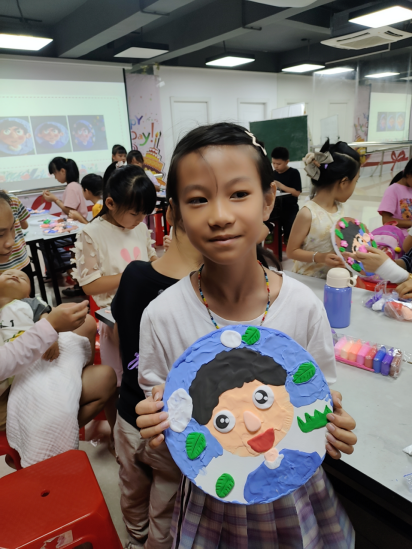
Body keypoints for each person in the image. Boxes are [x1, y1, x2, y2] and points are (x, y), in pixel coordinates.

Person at [135, 123, 357, 549]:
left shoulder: (303, 305)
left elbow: (320, 397)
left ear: (269, 199)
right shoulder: (162, 317)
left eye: (239, 193)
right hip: (210, 499)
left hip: (294, 495)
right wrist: (155, 427)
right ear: (175, 214)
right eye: (198, 199)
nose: (220, 215)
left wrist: (334, 426)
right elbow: (170, 430)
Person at [112, 206, 202, 548]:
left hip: (128, 414)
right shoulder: (207, 295)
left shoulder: (134, 274)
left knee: (130, 488)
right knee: (166, 504)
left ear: (169, 217)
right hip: (170, 429)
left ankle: (134, 539)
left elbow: (119, 331)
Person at [72, 165, 158, 437]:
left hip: (148, 312)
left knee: (149, 373)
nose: (140, 219)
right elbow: (90, 284)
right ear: (110, 203)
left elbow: (152, 262)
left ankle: (147, 431)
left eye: (144, 213)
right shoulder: (91, 233)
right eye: (135, 213)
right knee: (118, 379)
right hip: (115, 316)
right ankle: (117, 435)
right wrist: (132, 277)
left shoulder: (139, 227)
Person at [0, 272, 117, 466]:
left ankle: (58, 422)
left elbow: (44, 315)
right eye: (6, 273)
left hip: (34, 365)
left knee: (87, 323)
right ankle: (36, 445)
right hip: (7, 394)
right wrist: (49, 329)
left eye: (23, 277)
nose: (14, 274)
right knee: (57, 407)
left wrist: (50, 331)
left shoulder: (29, 304)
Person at [286, 140, 360, 278]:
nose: (355, 186)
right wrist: (320, 257)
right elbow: (291, 251)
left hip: (332, 279)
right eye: (356, 181)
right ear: (344, 182)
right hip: (308, 281)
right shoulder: (308, 213)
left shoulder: (339, 208)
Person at [0, 191, 34, 296]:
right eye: (0, 235)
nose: (11, 242)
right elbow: (25, 225)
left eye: (12, 228)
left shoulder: (8, 200)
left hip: (22, 262)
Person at [270, 146, 302, 243]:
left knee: (290, 231)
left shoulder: (294, 173)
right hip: (276, 208)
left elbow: (296, 193)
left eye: (278, 164)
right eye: (273, 163)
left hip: (290, 209)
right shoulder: (273, 174)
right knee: (272, 228)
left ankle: (289, 244)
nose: (276, 166)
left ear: (287, 162)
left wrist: (280, 185)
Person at [378, 159, 412, 235]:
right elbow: (386, 220)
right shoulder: (393, 190)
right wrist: (410, 223)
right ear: (408, 174)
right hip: (400, 236)